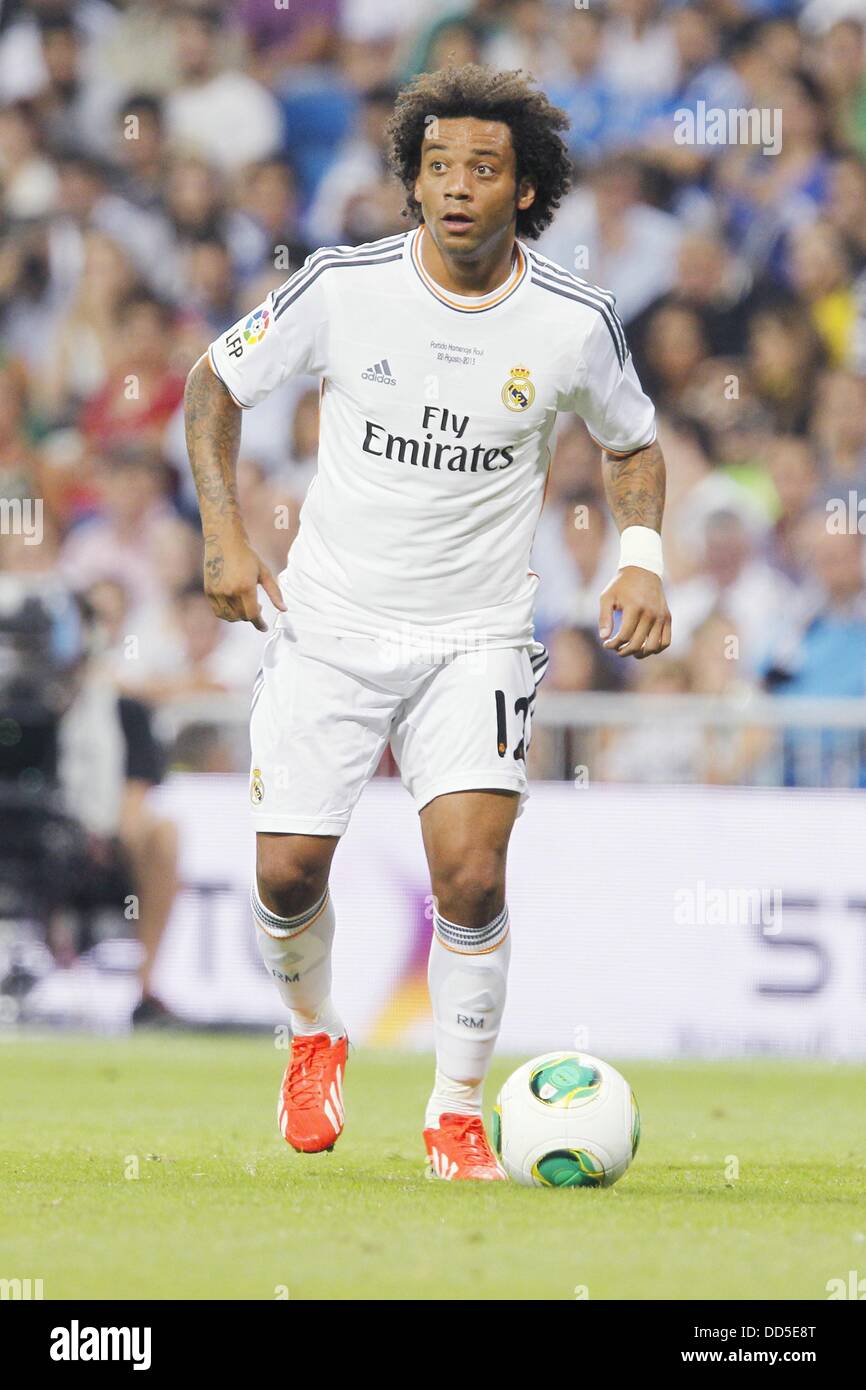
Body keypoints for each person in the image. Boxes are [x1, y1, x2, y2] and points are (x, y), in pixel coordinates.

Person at [183, 64, 671, 1181]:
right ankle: (314, 1035)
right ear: (412, 181)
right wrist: (223, 529)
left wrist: (637, 558)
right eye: (437, 166)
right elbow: (212, 384)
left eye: (482, 169)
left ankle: (455, 1113)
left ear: (526, 190)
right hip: (330, 622)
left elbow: (632, 440)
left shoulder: (569, 320)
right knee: (288, 875)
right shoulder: (342, 286)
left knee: (469, 875)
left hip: (475, 637)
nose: (455, 187)